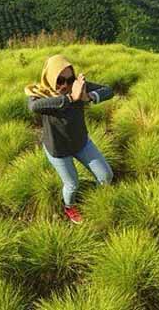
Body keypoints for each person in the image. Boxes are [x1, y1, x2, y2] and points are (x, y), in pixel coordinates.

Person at [24, 54, 114, 224]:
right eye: (59, 80)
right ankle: (69, 206)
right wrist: (71, 98)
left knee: (106, 176)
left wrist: (88, 97)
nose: (65, 85)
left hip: (81, 142)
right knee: (72, 184)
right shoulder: (40, 94)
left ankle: (96, 198)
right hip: (58, 150)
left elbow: (109, 90)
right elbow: (34, 106)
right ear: (50, 78)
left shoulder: (79, 87)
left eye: (69, 79)